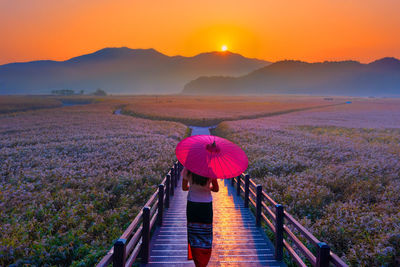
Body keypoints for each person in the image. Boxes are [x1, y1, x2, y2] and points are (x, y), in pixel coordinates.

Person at [181, 167, 219, 267]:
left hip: (192, 205)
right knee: (206, 234)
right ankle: (204, 262)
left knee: (193, 233)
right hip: (206, 206)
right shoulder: (210, 170)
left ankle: (197, 261)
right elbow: (216, 189)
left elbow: (184, 188)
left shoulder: (187, 170)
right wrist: (207, 188)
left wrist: (193, 187)